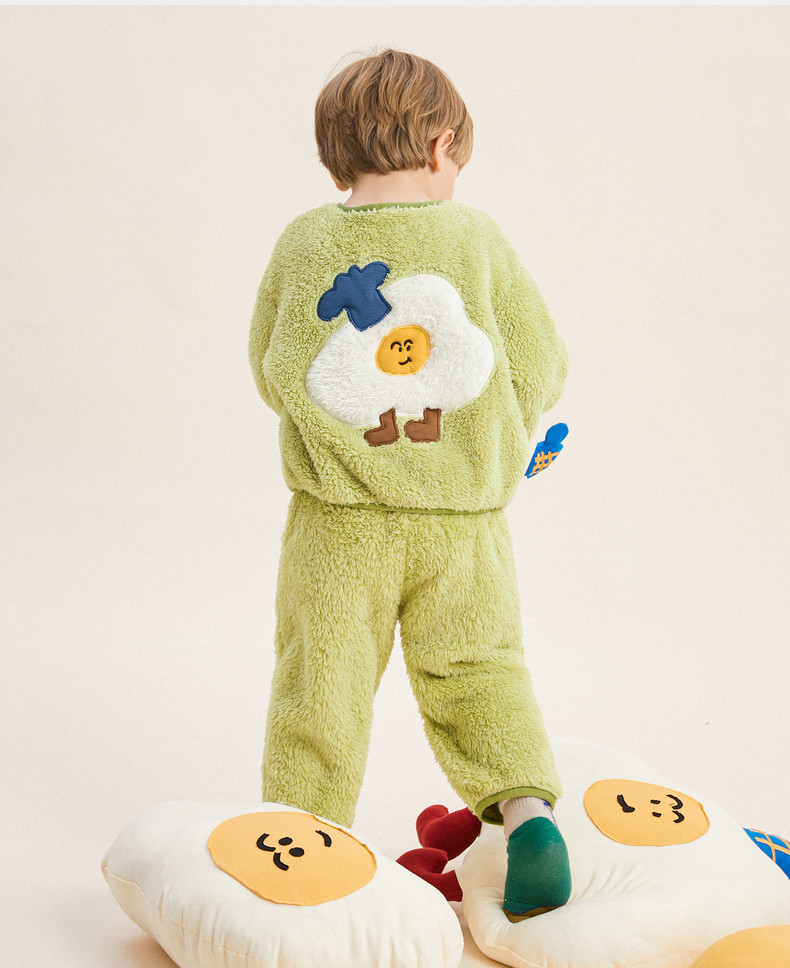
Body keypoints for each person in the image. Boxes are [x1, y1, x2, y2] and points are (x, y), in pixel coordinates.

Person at [248, 48, 571, 920]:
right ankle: (530, 817)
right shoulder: (476, 239)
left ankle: (300, 848)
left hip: (339, 523)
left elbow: (272, 369)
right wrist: (500, 438)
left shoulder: (306, 242)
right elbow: (542, 361)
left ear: (335, 162)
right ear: (440, 148)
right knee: (481, 671)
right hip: (463, 525)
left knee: (322, 683)